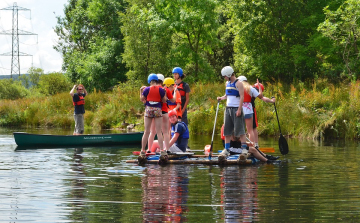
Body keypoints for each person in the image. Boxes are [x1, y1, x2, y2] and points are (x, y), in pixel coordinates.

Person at [216, 66, 248, 161]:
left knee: (240, 130)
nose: (224, 78)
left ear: (229, 74)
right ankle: (226, 149)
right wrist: (221, 98)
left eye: (225, 76)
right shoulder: (227, 83)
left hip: (236, 109)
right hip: (228, 109)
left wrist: (239, 109)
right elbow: (227, 95)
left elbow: (242, 97)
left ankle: (244, 149)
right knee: (227, 129)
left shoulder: (239, 83)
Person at [237, 76, 275, 148]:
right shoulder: (251, 88)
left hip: (239, 110)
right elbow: (262, 97)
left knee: (240, 130)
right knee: (250, 130)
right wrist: (272, 101)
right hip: (249, 111)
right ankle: (253, 146)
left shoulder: (237, 88)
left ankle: (241, 146)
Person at [139, 74, 167, 163]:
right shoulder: (161, 89)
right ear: (156, 81)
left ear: (149, 81)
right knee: (159, 131)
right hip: (158, 110)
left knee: (146, 131)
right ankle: (162, 151)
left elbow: (142, 99)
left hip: (148, 110)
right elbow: (164, 100)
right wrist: (164, 93)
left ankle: (143, 150)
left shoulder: (146, 89)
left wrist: (140, 91)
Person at [147, 74, 176, 153]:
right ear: (163, 81)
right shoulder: (165, 89)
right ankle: (167, 149)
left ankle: (149, 149)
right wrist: (175, 91)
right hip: (164, 112)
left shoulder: (151, 89)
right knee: (165, 132)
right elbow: (173, 100)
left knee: (152, 132)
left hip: (154, 113)